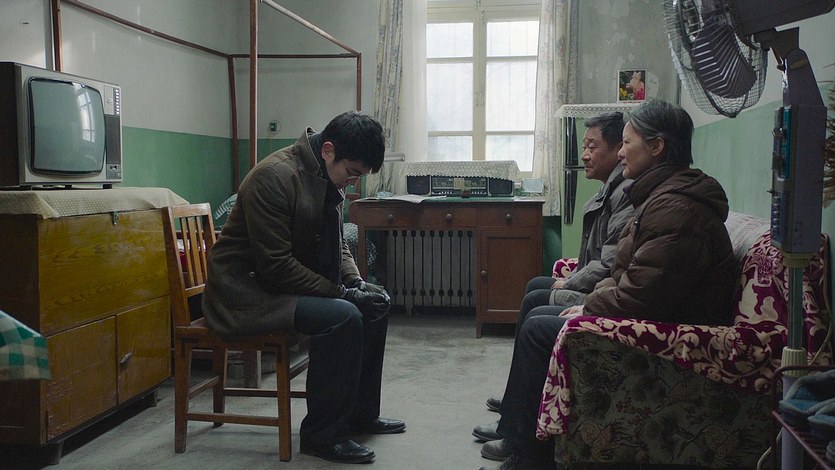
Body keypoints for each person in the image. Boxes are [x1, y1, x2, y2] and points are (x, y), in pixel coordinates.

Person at [476, 99, 737, 470]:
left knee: (538, 328)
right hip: (654, 317)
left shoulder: (676, 209)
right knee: (542, 314)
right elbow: (629, 275)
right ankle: (520, 430)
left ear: (657, 146)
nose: (622, 153)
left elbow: (642, 293)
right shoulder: (659, 197)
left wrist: (590, 305)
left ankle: (529, 458)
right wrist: (592, 300)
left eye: (627, 143)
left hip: (670, 337)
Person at [201, 111, 405, 465]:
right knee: (343, 316)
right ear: (328, 150)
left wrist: (356, 283)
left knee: (374, 305)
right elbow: (275, 266)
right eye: (352, 173)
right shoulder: (273, 178)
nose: (352, 182)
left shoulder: (326, 173)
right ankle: (321, 436)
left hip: (279, 287)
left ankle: (359, 415)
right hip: (247, 295)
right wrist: (342, 295)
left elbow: (338, 242)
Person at [475, 112, 634, 451]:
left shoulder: (626, 193)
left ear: (619, 148)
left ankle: (517, 425)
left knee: (536, 302)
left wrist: (572, 283)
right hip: (600, 286)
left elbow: (608, 264)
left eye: (592, 147)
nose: (585, 155)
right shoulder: (613, 188)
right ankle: (516, 402)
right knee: (536, 286)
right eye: (583, 146)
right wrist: (573, 279)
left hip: (603, 293)